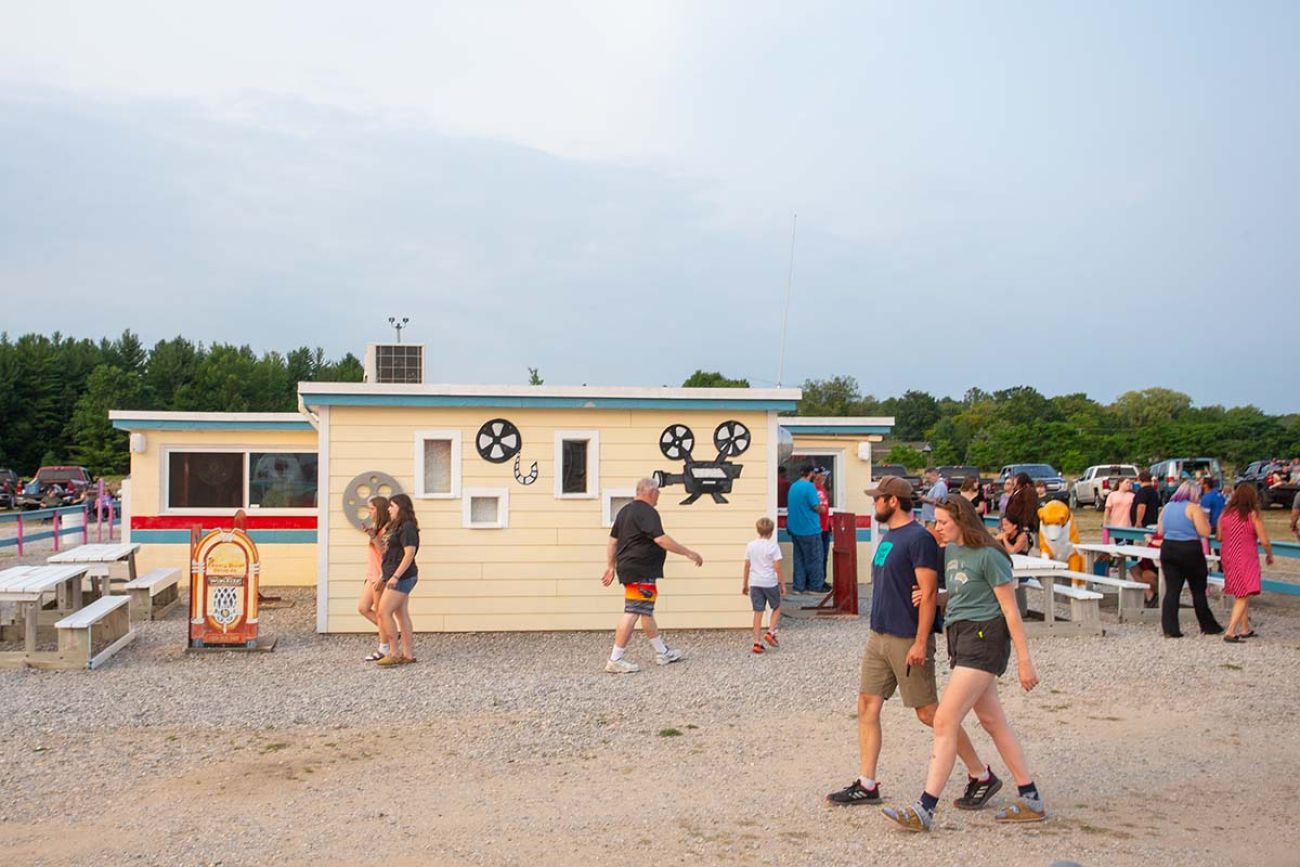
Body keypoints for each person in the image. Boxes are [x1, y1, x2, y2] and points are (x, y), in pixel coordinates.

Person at [827, 479, 997, 811]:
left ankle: (981, 774)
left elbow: (929, 592)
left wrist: (921, 642)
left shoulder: (919, 538)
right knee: (867, 705)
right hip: (879, 635)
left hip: (907, 637)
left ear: (893, 501)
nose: (874, 504)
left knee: (930, 713)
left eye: (878, 499)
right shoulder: (890, 536)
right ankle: (867, 783)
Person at [881, 495, 1043, 832]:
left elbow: (1011, 611)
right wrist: (938, 598)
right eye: (935, 521)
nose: (936, 528)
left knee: (944, 719)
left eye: (942, 522)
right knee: (992, 720)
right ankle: (1031, 797)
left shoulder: (990, 555)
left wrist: (1025, 662)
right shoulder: (952, 551)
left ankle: (925, 808)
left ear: (962, 520)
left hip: (985, 640)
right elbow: (965, 591)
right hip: (961, 637)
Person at [601, 476, 704, 673]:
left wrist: (610, 566)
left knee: (645, 610)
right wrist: (689, 553)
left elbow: (613, 541)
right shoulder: (647, 512)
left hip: (633, 568)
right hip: (640, 569)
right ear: (651, 492)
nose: (658, 496)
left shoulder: (625, 511)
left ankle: (662, 652)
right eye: (658, 492)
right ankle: (615, 658)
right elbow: (661, 539)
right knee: (632, 611)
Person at [1157, 481, 1223, 638]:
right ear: (1194, 494)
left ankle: (1170, 628)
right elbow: (1204, 532)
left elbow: (1160, 530)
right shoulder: (1193, 508)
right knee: (1198, 590)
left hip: (1168, 548)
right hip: (1189, 549)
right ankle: (1207, 625)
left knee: (1172, 590)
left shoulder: (1167, 507)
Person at [1219, 483, 1273, 642]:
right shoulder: (1252, 515)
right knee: (1244, 592)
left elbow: (1220, 536)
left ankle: (1245, 628)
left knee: (1240, 591)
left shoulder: (1226, 514)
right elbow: (1264, 540)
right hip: (1246, 556)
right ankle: (1230, 631)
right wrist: (1269, 554)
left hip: (1228, 555)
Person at [377, 493, 420, 666]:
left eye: (391, 506)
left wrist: (395, 576)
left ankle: (394, 652)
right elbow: (389, 553)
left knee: (383, 612)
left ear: (401, 507)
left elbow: (409, 554)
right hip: (393, 575)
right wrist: (384, 575)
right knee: (401, 614)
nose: (388, 509)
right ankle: (408, 655)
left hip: (402, 576)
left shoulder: (408, 527)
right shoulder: (395, 526)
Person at [741, 516, 784, 653]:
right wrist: (782, 583)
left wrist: (745, 584)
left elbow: (747, 565)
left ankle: (756, 642)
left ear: (758, 530)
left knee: (758, 612)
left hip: (755, 582)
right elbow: (777, 567)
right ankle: (770, 632)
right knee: (776, 607)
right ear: (771, 532)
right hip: (769, 582)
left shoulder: (751, 545)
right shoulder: (773, 546)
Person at [357, 496, 392, 662]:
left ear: (380, 509)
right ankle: (390, 634)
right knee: (363, 607)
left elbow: (386, 553)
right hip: (371, 575)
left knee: (380, 613)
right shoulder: (377, 527)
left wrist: (374, 537)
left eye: (371, 508)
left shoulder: (387, 529)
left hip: (380, 576)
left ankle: (384, 647)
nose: (369, 512)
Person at [787, 465, 827, 593]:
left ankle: (798, 587)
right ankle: (815, 586)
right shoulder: (809, 487)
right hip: (809, 528)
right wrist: (823, 509)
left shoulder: (793, 486)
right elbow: (815, 506)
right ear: (810, 474)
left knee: (799, 559)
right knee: (815, 558)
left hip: (794, 528)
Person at [814, 466, 834, 582]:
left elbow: (826, 508)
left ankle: (822, 579)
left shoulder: (822, 488)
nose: (824, 478)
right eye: (822, 475)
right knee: (818, 556)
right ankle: (817, 580)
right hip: (817, 527)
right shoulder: (812, 489)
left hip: (825, 526)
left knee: (824, 555)